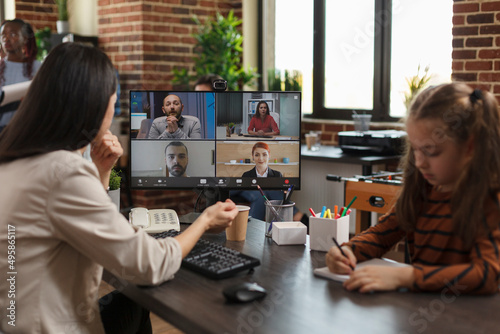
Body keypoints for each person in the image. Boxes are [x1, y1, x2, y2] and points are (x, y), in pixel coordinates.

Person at [0, 43, 238, 333]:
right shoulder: (63, 173)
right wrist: (204, 221)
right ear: (93, 104)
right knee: (138, 296)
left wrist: (100, 172)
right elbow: (148, 266)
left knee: (131, 302)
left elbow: (90, 229)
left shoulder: (15, 158)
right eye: (113, 101)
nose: (113, 110)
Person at [326, 82, 500, 295]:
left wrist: (406, 276)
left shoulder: (490, 197)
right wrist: (347, 251)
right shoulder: (422, 190)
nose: (419, 163)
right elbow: (380, 236)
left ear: (469, 147)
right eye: (416, 149)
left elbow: (487, 274)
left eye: (430, 151)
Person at [0, 18, 41, 132]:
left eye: (12, 34)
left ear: (25, 39)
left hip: (27, 130)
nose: (5, 39)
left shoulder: (38, 68)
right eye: (2, 35)